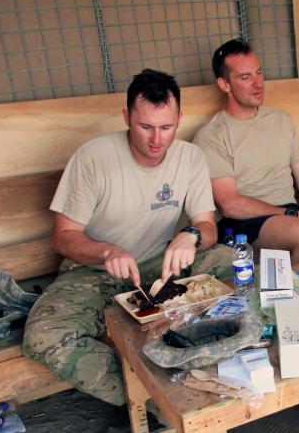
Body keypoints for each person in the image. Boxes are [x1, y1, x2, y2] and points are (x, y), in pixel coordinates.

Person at [23, 69, 228, 406]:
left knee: (233, 262)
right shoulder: (93, 158)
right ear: (126, 117)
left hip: (158, 266)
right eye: (145, 126)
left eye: (166, 127)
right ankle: (154, 398)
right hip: (93, 272)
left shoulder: (190, 157)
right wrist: (106, 252)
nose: (156, 140)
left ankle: (218, 365)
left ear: (179, 119)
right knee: (44, 336)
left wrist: (190, 236)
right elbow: (63, 237)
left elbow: (207, 226)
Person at [193, 38, 299, 263]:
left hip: (290, 214)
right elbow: (230, 204)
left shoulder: (281, 120)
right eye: (246, 77)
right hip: (243, 224)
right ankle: (293, 298)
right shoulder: (211, 136)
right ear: (225, 84)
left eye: (259, 73)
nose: (258, 83)